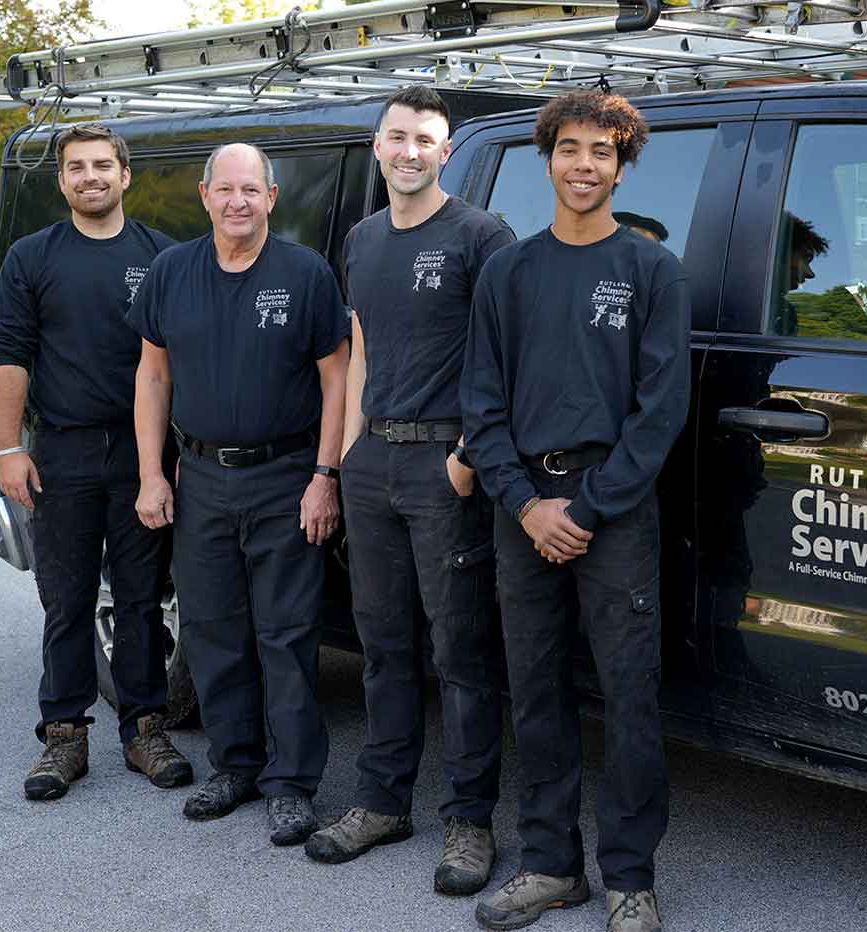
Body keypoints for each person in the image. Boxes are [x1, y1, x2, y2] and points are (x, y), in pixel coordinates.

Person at [462, 90, 690, 932]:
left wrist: (586, 511)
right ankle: (551, 865)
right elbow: (481, 407)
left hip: (613, 511)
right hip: (522, 508)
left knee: (629, 698)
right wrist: (526, 506)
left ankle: (630, 877)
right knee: (536, 692)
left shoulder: (652, 271)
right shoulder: (508, 272)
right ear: (548, 158)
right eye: (570, 148)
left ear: (622, 166)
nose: (584, 164)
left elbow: (660, 414)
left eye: (602, 150)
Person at [303, 86, 515, 895]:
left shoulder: (481, 236)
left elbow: (505, 355)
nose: (410, 151)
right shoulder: (361, 240)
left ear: (446, 153)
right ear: (379, 146)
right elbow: (361, 346)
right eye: (398, 137)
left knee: (460, 651)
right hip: (374, 466)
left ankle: (469, 821)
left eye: (426, 139)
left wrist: (466, 455)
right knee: (384, 646)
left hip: (444, 467)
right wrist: (347, 455)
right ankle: (383, 802)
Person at [127, 142, 350, 846]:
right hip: (200, 478)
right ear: (204, 195)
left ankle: (291, 784)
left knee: (286, 635)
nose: (237, 202)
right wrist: (152, 472)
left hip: (288, 477)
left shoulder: (305, 273)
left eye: (251, 189)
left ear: (271, 198)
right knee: (214, 630)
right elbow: (153, 376)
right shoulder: (172, 272)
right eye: (225, 189)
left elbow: (338, 379)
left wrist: (325, 477)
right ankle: (236, 765)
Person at [0, 122, 192, 801]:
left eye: (103, 165)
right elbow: (10, 355)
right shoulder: (31, 257)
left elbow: (180, 360)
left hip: (143, 453)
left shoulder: (162, 257)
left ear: (125, 175)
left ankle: (145, 731)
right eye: (77, 167)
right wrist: (9, 449)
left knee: (141, 598)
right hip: (62, 450)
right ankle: (64, 737)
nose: (91, 177)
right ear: (62, 180)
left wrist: (173, 457)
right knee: (68, 599)